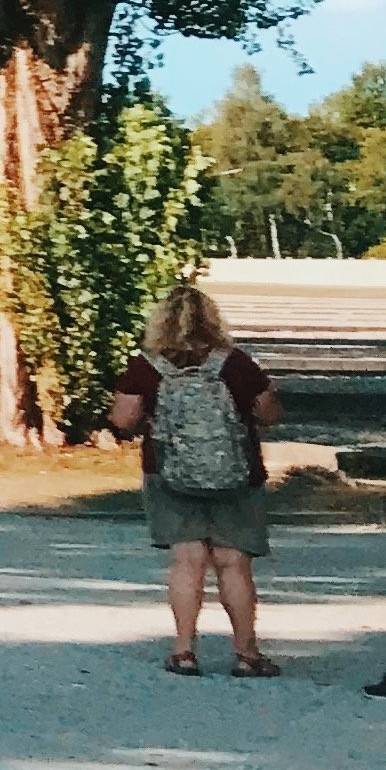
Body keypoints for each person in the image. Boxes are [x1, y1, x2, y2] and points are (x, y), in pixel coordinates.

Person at [110, 280, 282, 678]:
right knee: (234, 563)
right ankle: (246, 654)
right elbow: (269, 414)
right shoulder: (236, 363)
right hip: (237, 475)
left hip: (169, 474)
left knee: (187, 560)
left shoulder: (145, 366)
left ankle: (185, 651)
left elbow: (122, 420)